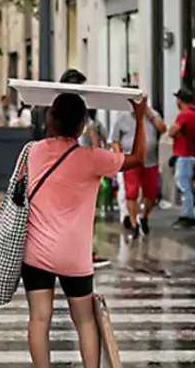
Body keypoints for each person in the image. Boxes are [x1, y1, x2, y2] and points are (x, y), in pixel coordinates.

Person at [22, 92, 147, 368]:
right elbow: (138, 159)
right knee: (85, 320)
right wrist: (140, 118)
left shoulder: (34, 152)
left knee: (39, 318)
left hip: (36, 252)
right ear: (81, 125)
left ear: (50, 120)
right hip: (75, 256)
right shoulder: (94, 158)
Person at [55, 69, 111, 268]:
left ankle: (84, 251)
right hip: (68, 168)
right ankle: (79, 253)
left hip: (81, 169)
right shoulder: (65, 114)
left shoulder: (83, 115)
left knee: (83, 214)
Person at [110, 98, 166, 237]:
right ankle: (134, 223)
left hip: (150, 161)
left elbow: (163, 129)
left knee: (151, 195)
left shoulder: (152, 114)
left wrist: (150, 115)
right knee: (131, 193)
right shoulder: (121, 117)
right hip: (131, 160)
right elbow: (114, 140)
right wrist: (118, 157)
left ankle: (144, 217)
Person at [168, 88, 195, 228]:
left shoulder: (183, 114)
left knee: (184, 186)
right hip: (192, 154)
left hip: (184, 155)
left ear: (179, 100)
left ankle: (188, 215)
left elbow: (172, 132)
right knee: (190, 186)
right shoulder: (194, 113)